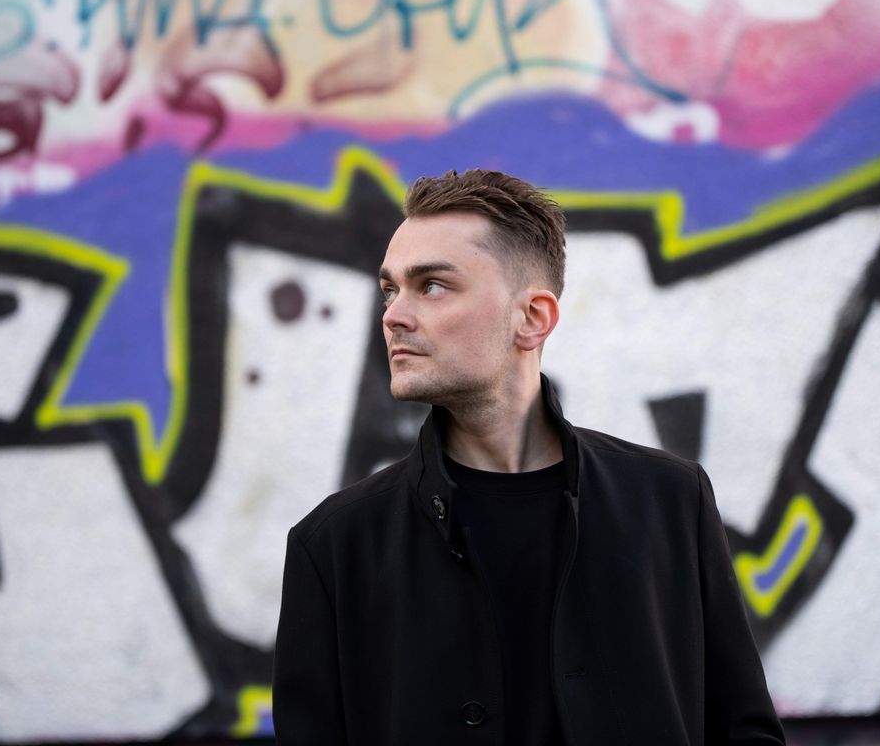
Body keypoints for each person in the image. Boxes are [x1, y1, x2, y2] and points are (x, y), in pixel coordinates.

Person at [272, 169, 785, 745]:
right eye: (390, 290)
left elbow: (744, 729)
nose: (393, 315)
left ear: (533, 318)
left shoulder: (669, 501)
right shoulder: (335, 544)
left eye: (432, 285)